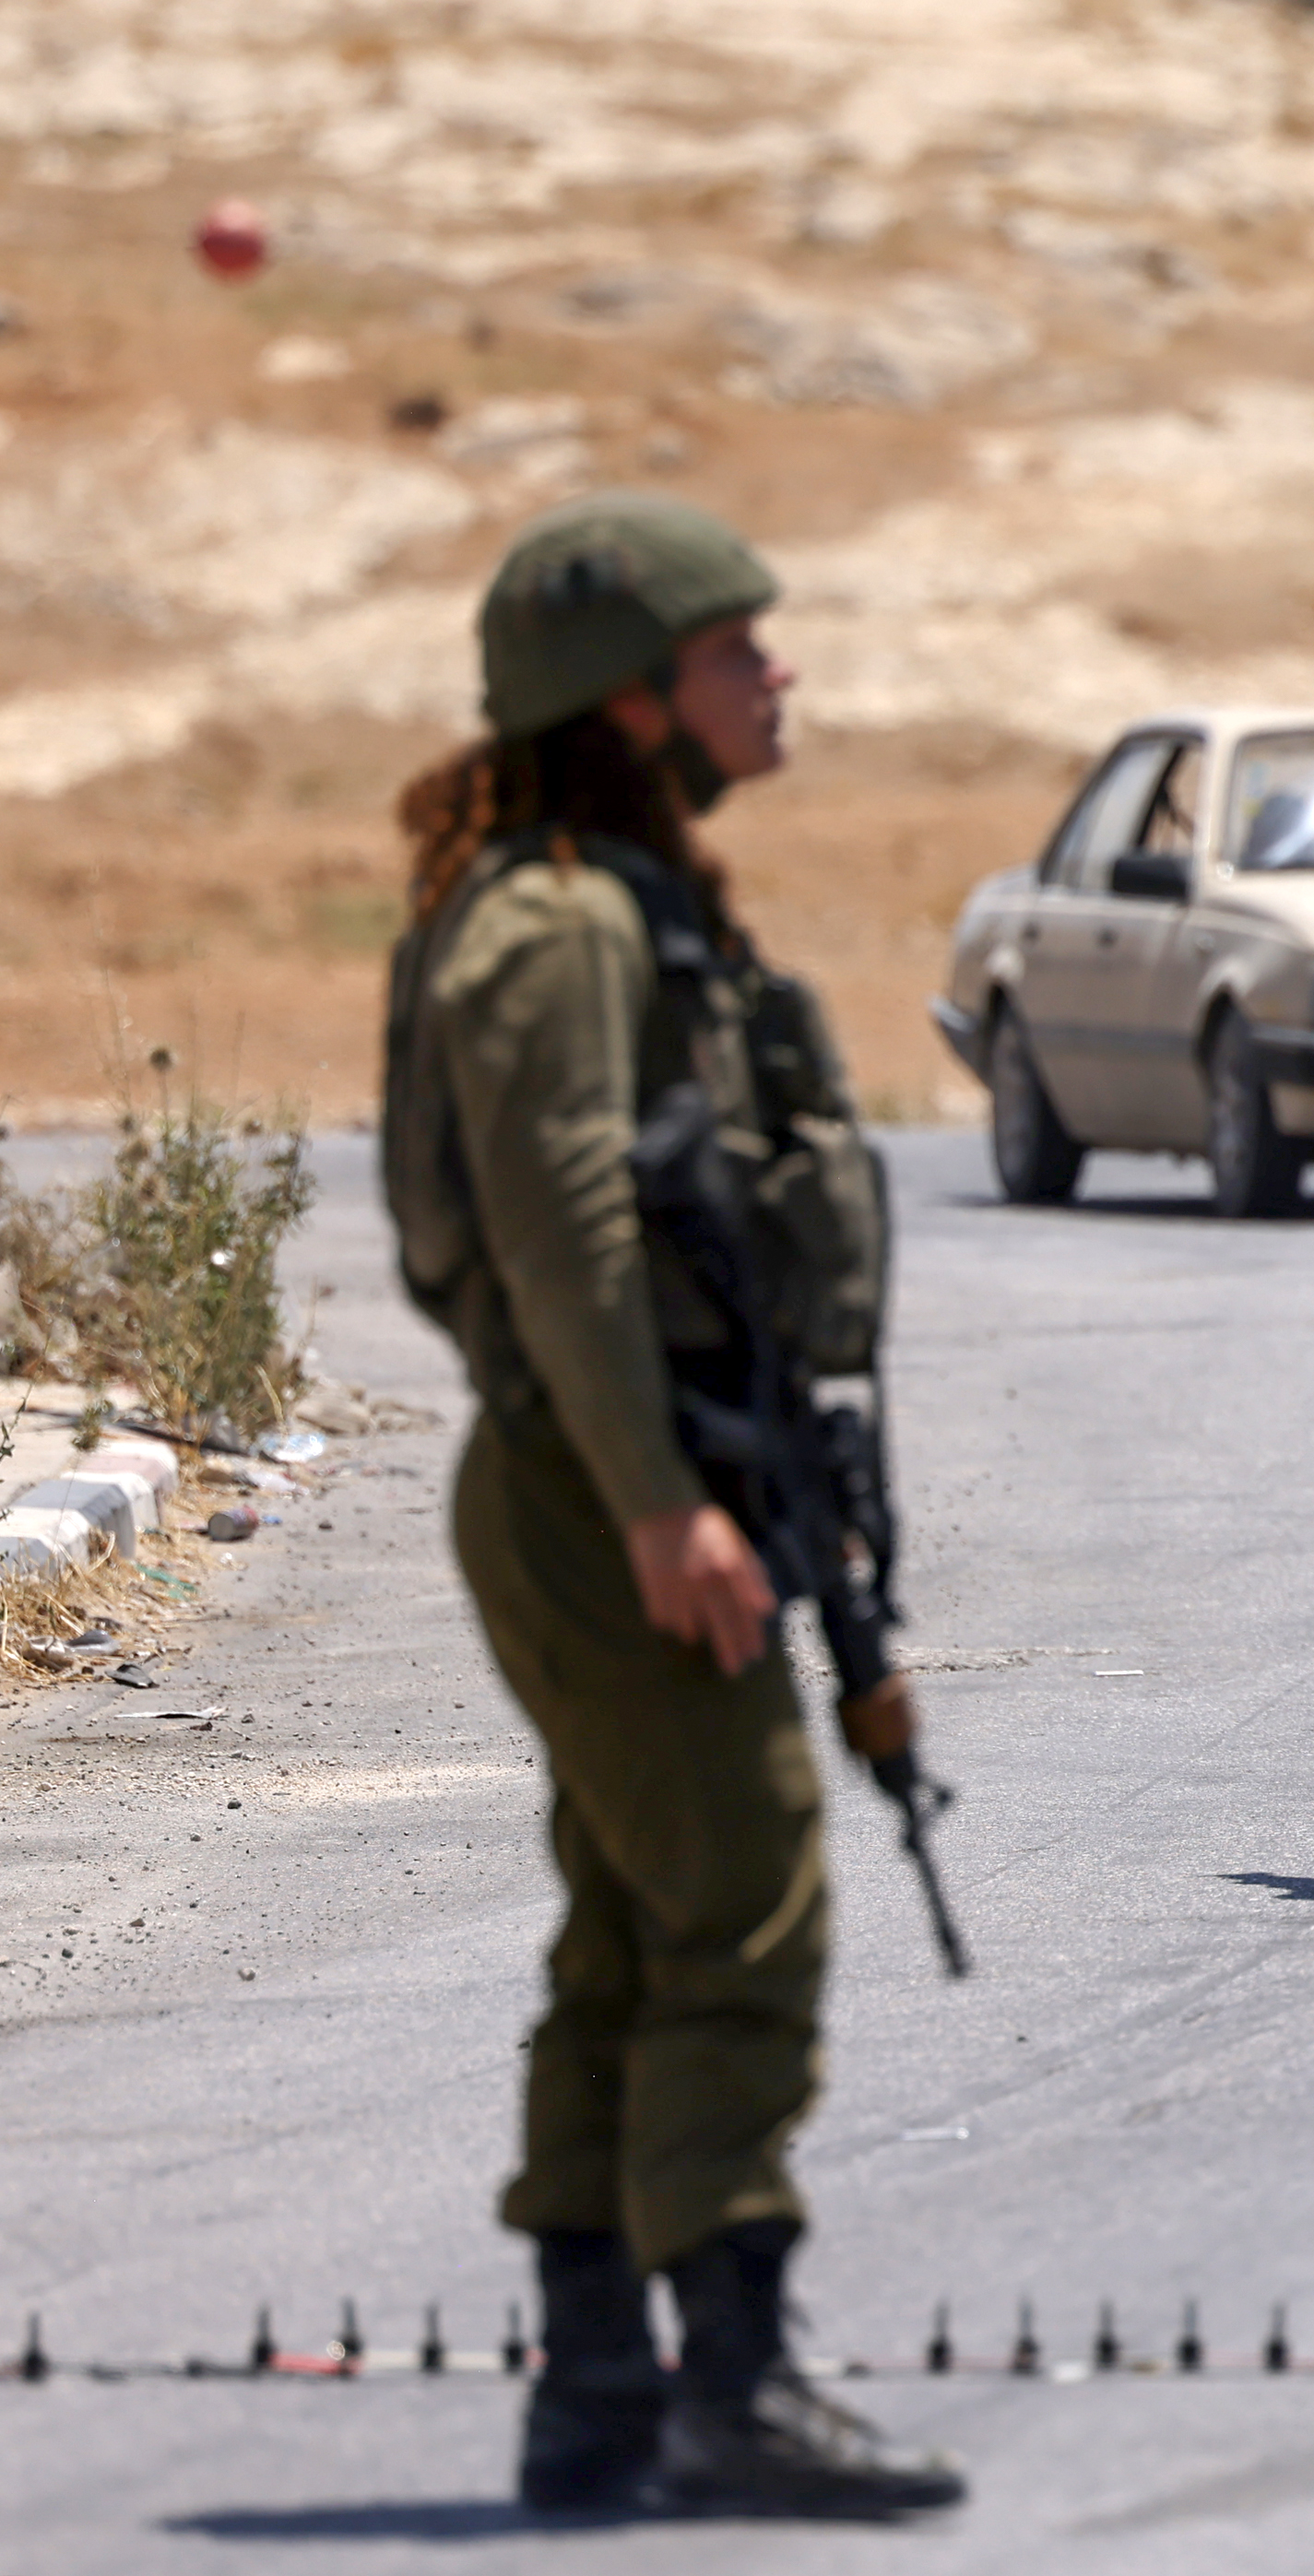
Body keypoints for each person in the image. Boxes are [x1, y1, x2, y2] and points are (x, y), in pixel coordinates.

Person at [381, 492, 963, 2517]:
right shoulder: (555, 922)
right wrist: (653, 1505)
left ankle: (599, 2392)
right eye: (738, 652)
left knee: (636, 1921)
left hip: (642, 1465)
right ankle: (726, 2379)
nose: (775, 675)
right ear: (630, 703)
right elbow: (566, 1231)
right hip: (591, 1478)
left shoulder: (623, 898)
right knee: (745, 1888)